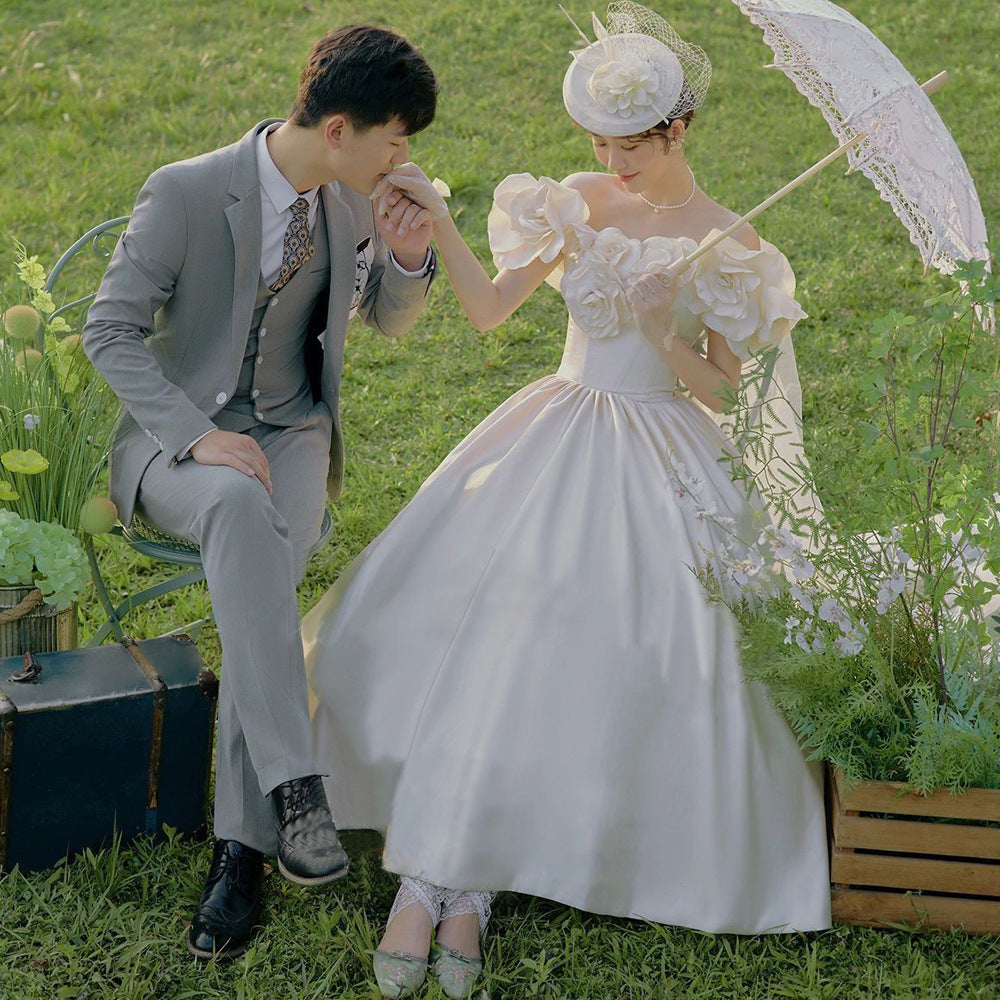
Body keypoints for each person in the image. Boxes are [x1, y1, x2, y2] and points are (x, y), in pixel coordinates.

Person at [302, 4, 830, 997]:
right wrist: (444, 223)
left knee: (607, 636)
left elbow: (730, 390)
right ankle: (437, 879)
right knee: (496, 606)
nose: (611, 162)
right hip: (556, 424)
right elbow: (492, 307)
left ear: (678, 130)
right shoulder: (576, 199)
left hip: (662, 444)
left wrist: (665, 331)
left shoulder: (726, 240)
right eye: (598, 143)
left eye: (630, 146)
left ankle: (470, 879)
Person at [82, 25, 439, 960]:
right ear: (336, 128)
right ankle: (277, 806)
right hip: (176, 444)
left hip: (290, 434)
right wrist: (199, 436)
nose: (406, 158)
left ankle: (248, 849)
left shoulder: (353, 204)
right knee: (243, 519)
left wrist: (407, 257)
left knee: (256, 575)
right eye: (395, 138)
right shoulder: (188, 191)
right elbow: (109, 331)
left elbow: (387, 320)